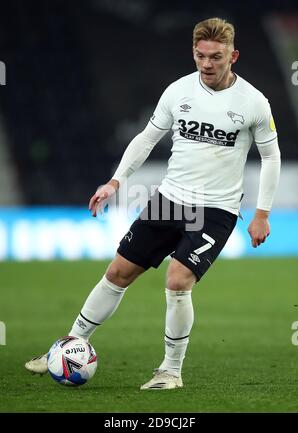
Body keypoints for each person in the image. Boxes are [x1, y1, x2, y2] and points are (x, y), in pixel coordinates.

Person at [25, 17, 281, 390]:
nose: (207, 64)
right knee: (117, 273)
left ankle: (170, 371)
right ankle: (67, 346)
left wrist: (261, 213)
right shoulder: (178, 91)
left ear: (233, 56)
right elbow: (146, 139)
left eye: (216, 57)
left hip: (216, 210)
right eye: (200, 56)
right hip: (169, 200)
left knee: (177, 279)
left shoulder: (254, 102)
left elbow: (271, 157)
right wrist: (115, 182)